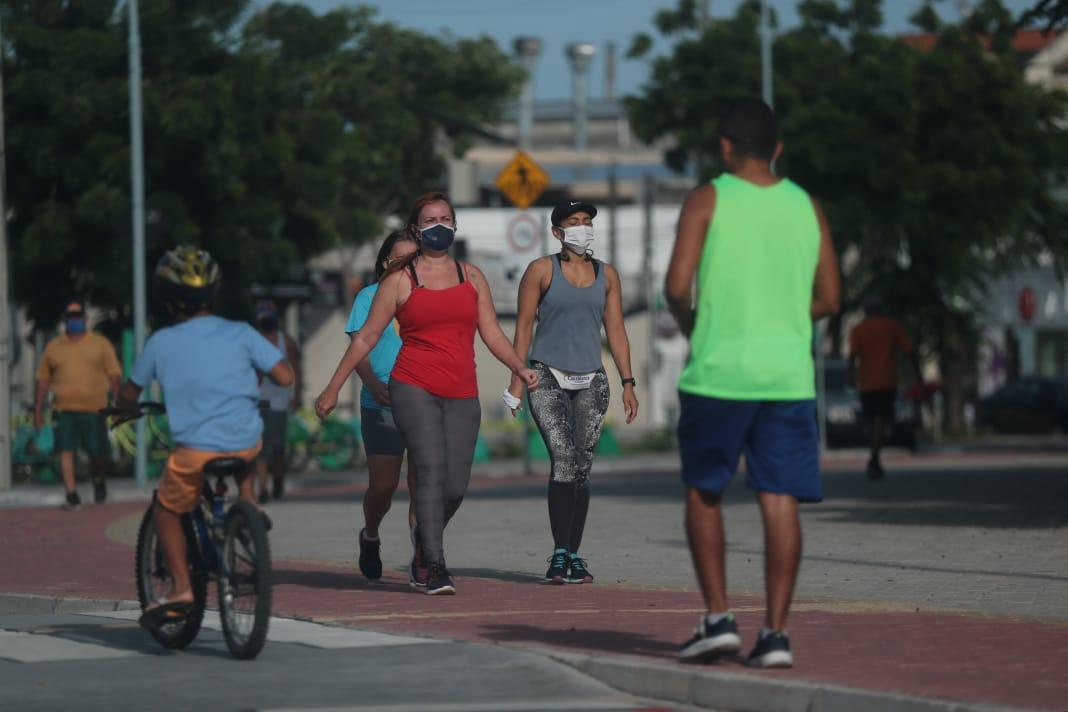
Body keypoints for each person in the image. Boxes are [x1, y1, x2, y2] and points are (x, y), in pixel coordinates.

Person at [664, 99, 840, 668]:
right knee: (779, 497)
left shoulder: (708, 198)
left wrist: (698, 327)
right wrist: (784, 320)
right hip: (786, 377)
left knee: (704, 490)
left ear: (724, 147)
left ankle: (718, 620)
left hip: (719, 372)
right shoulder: (806, 205)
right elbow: (832, 298)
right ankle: (776, 635)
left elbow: (674, 285)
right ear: (778, 149)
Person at [316, 192, 539, 596]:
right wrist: (333, 387)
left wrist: (518, 367)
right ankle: (433, 564)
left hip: (461, 391)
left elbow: (491, 332)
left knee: (455, 485)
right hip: (412, 386)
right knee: (429, 470)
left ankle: (423, 544)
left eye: (446, 217)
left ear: (455, 224)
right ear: (417, 230)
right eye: (430, 219)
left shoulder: (471, 277)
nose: (439, 224)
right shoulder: (401, 280)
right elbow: (365, 337)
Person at [116, 246, 293, 626]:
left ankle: (181, 589)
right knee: (245, 444)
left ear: (166, 298)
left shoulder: (161, 342)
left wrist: (122, 407)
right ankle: (249, 506)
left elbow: (129, 394)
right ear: (213, 292)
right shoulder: (242, 332)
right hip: (247, 440)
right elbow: (285, 377)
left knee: (165, 510)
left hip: (195, 451)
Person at [506, 199, 639, 585]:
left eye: (587, 221)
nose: (583, 227)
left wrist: (628, 382)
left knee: (582, 468)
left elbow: (616, 331)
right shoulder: (540, 271)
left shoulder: (607, 275)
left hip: (592, 380)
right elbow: (523, 330)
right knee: (563, 460)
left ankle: (575, 554)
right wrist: (517, 381)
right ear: (557, 232)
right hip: (546, 375)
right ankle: (559, 553)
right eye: (574, 222)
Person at [346, 231, 420, 581]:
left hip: (423, 399)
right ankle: (370, 534)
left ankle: (424, 552)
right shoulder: (368, 297)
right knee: (383, 486)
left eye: (413, 258)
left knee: (424, 481)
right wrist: (373, 385)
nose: (406, 264)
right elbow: (358, 348)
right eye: (399, 258)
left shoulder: (427, 295)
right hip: (381, 402)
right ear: (384, 261)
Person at [34, 299, 122, 509]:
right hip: (64, 409)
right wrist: (38, 409)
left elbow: (114, 375)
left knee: (97, 454)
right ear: (66, 320)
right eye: (71, 317)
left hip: (94, 409)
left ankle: (98, 480)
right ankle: (71, 493)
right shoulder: (54, 347)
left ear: (84, 318)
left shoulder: (100, 344)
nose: (75, 321)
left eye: (78, 317)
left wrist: (118, 402)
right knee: (66, 450)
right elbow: (43, 379)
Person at [848, 297, 923, 479]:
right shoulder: (891, 326)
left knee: (874, 419)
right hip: (887, 381)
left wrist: (850, 377)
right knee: (882, 419)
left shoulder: (859, 329)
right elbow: (909, 351)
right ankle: (875, 454)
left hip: (867, 383)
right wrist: (917, 374)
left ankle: (875, 451)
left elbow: (851, 357)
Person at [254, 300, 301, 502]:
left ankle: (278, 478)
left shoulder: (286, 341)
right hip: (258, 398)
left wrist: (296, 395)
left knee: (278, 447)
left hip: (280, 400)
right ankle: (263, 487)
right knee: (260, 446)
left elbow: (295, 369)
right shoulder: (254, 340)